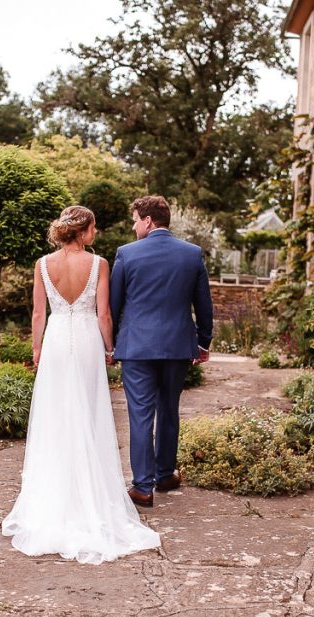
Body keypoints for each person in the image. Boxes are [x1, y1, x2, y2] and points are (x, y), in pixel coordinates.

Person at [1, 205, 161, 564]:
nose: (97, 233)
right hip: (87, 340)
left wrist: (37, 348)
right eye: (94, 227)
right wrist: (110, 346)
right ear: (83, 230)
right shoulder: (99, 264)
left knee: (55, 416)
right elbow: (104, 314)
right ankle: (90, 494)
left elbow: (38, 313)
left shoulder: (43, 264)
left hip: (57, 340)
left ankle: (54, 496)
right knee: (88, 414)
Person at [110, 195, 213, 508]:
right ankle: (165, 474)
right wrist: (203, 341)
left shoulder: (126, 254)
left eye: (135, 220)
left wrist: (112, 342)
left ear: (148, 221)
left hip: (137, 347)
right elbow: (204, 304)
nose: (133, 226)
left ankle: (143, 487)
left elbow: (114, 304)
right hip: (177, 346)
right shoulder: (192, 254)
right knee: (169, 408)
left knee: (140, 415)